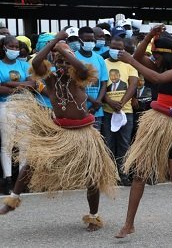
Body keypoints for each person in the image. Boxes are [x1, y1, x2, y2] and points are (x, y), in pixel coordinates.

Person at [0, 31, 118, 232]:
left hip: (83, 134)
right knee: (34, 160)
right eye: (58, 62)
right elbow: (37, 63)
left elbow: (80, 66)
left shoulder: (79, 79)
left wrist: (65, 51)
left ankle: (94, 216)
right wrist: (55, 43)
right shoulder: (51, 80)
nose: (62, 66)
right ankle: (13, 199)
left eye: (65, 63)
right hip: (59, 131)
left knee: (92, 176)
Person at [115, 26, 172, 239]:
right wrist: (149, 37)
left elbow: (157, 79)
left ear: (167, 56)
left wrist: (132, 62)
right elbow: (137, 56)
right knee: (140, 173)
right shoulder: (158, 65)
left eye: (156, 55)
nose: (153, 59)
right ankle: (128, 224)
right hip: (155, 123)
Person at [103, 36, 138, 186]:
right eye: (113, 47)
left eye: (119, 48)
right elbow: (101, 85)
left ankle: (123, 174)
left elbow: (133, 85)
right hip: (107, 111)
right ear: (108, 46)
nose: (116, 50)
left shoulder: (129, 64)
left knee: (124, 143)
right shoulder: (103, 63)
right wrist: (110, 101)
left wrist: (122, 103)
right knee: (108, 143)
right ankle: (110, 175)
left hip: (126, 111)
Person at [0, 35, 33, 195]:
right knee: (7, 143)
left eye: (16, 47)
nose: (15, 49)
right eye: (11, 46)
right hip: (6, 105)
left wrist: (9, 84)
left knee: (24, 144)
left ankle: (22, 180)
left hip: (24, 106)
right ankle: (7, 179)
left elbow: (32, 84)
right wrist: (21, 86)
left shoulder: (24, 64)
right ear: (4, 47)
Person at [75, 26, 109, 130]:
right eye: (86, 40)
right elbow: (73, 85)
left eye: (92, 40)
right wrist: (92, 101)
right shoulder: (73, 58)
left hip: (97, 111)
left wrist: (97, 103)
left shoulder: (99, 59)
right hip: (78, 109)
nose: (90, 42)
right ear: (79, 40)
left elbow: (104, 83)